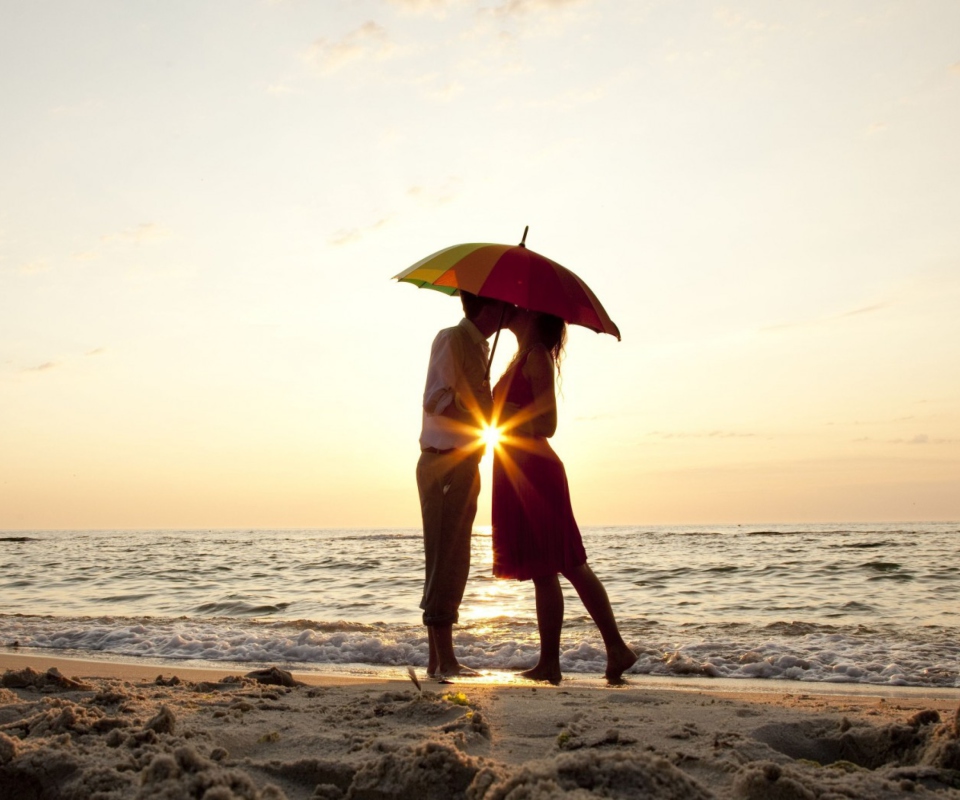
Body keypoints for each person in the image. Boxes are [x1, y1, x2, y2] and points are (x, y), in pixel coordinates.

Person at [491, 307, 637, 684]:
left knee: (569, 562)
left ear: (533, 315)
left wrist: (506, 412)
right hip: (516, 468)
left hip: (536, 470)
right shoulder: (520, 356)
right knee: (543, 570)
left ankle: (616, 648)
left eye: (519, 307)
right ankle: (550, 663)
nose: (510, 310)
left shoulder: (537, 354)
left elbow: (548, 424)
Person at [417, 291, 506, 678]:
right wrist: (477, 413)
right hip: (443, 461)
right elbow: (435, 398)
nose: (510, 310)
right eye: (504, 304)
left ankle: (439, 661)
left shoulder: (480, 348)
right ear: (487, 306)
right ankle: (444, 660)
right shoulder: (452, 339)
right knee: (445, 557)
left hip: (465, 461)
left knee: (457, 557)